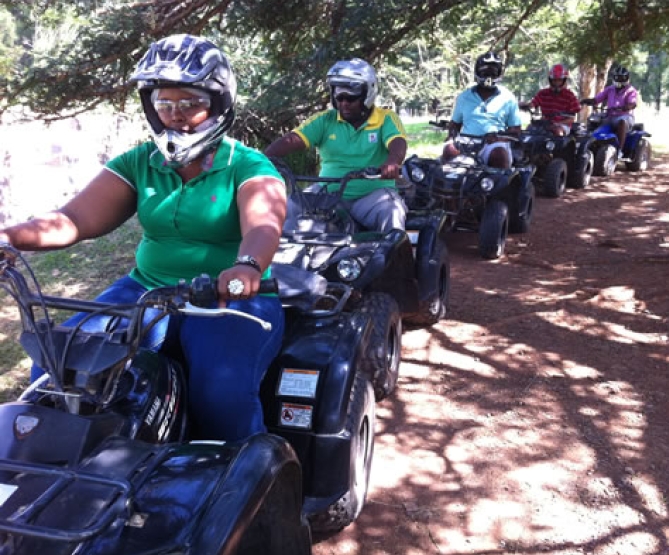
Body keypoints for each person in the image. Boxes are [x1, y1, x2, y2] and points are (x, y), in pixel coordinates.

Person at [0, 34, 287, 442]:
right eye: (164, 104)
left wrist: (247, 266)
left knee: (220, 394)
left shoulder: (246, 164)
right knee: (58, 367)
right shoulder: (140, 162)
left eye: (190, 103)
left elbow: (263, 224)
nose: (175, 115)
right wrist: (7, 237)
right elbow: (72, 219)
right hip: (146, 289)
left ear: (219, 104)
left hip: (230, 299)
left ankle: (246, 483)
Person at [264, 58, 408, 233]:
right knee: (287, 207)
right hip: (328, 196)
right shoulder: (325, 120)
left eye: (351, 97)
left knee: (392, 212)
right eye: (339, 97)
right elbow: (292, 140)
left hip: (372, 197)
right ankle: (278, 259)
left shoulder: (386, 118)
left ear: (367, 95)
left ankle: (397, 259)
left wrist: (393, 161)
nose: (344, 103)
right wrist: (262, 160)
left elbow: (397, 142)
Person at [443, 51, 522, 169]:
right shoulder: (464, 97)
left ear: (499, 74)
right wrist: (451, 137)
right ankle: (445, 185)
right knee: (449, 150)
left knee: (499, 155)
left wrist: (499, 138)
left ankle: (499, 187)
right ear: (477, 72)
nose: (488, 76)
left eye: (493, 72)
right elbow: (455, 125)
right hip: (466, 141)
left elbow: (515, 130)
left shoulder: (508, 98)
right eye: (485, 72)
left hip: (494, 144)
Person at [581, 66, 639, 158]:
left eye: (621, 78)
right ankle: (587, 145)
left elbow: (632, 103)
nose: (619, 79)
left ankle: (619, 150)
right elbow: (596, 99)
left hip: (625, 116)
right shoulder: (610, 89)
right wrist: (585, 101)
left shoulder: (631, 91)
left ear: (626, 78)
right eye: (617, 77)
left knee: (622, 122)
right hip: (610, 116)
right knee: (593, 120)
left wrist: (626, 107)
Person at [519, 64, 581, 136]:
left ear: (564, 80)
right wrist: (524, 105)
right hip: (545, 123)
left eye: (559, 80)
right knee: (528, 130)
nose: (556, 83)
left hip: (562, 125)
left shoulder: (570, 96)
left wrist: (558, 123)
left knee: (558, 132)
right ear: (550, 80)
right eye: (554, 80)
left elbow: (572, 119)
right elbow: (533, 104)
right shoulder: (542, 93)